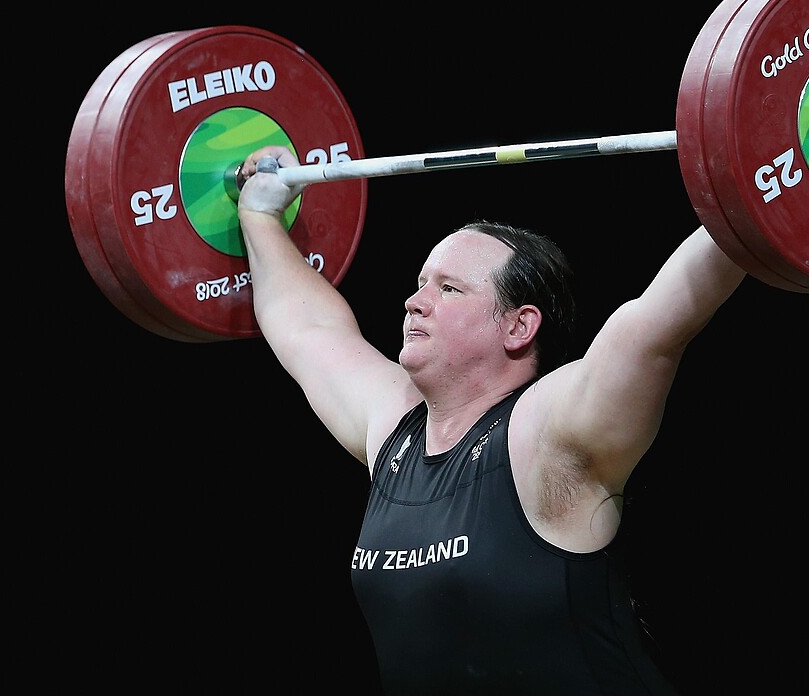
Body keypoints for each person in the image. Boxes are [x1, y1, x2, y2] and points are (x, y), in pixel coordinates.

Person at [237, 145, 746, 694]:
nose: (413, 301)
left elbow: (658, 322)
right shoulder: (396, 429)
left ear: (518, 326)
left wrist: (760, 182)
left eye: (449, 289)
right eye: (421, 282)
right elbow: (306, 329)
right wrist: (260, 213)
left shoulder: (547, 434)